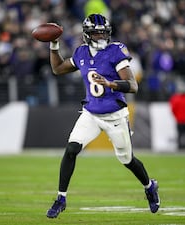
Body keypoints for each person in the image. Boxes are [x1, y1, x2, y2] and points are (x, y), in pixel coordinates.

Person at [46, 14, 160, 218]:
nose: (100, 36)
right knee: (72, 148)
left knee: (127, 159)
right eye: (96, 33)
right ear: (87, 35)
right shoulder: (81, 52)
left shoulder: (115, 51)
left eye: (103, 32)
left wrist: (111, 84)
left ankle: (150, 186)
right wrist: (54, 45)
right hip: (91, 113)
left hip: (115, 115)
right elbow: (58, 68)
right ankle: (61, 198)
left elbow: (133, 85)